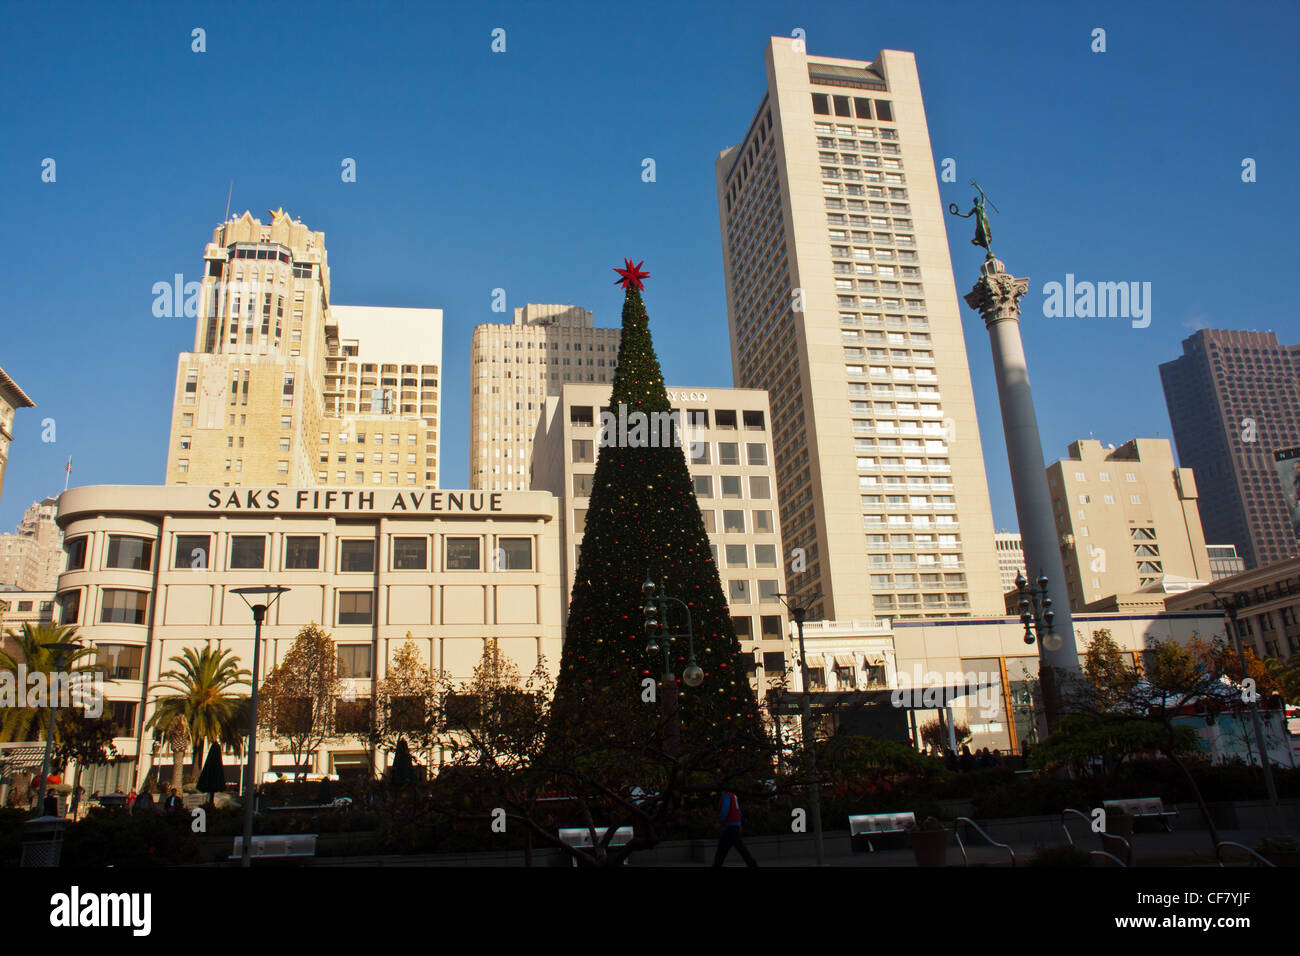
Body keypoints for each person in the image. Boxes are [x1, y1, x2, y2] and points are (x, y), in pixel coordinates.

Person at [712, 789, 758, 867]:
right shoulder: (734, 796)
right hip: (734, 825)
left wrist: (720, 822)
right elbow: (738, 811)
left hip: (729, 826)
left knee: (723, 850)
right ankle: (752, 864)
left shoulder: (726, 795)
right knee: (737, 848)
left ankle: (752, 864)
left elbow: (724, 810)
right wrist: (740, 823)